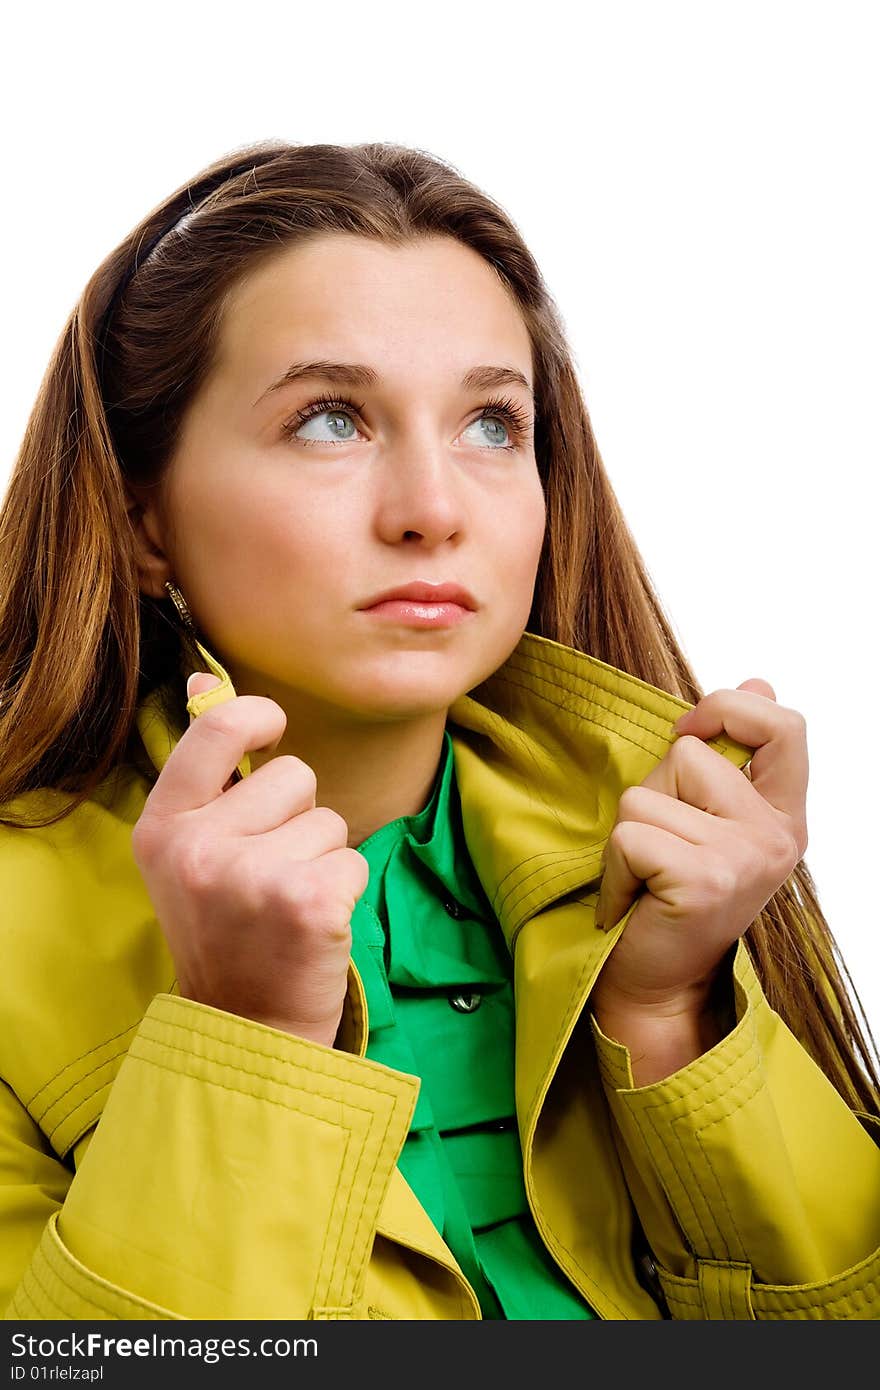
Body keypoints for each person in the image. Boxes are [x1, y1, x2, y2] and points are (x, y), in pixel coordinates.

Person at [0, 139, 878, 1324]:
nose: (431, 511)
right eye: (328, 420)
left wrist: (673, 1020)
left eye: (490, 425)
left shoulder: (673, 860)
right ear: (141, 514)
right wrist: (242, 1038)